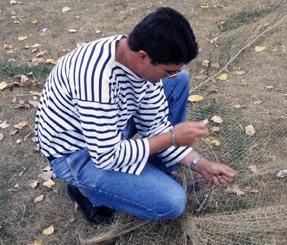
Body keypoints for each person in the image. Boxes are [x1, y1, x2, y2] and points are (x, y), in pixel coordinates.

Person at [35, 7, 238, 224]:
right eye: (168, 70)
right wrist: (171, 138)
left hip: (107, 128)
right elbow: (106, 156)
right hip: (76, 154)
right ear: (142, 57)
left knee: (179, 82)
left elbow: (156, 124)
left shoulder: (133, 57)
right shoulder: (97, 83)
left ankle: (152, 171)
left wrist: (201, 164)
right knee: (172, 201)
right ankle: (89, 193)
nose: (171, 76)